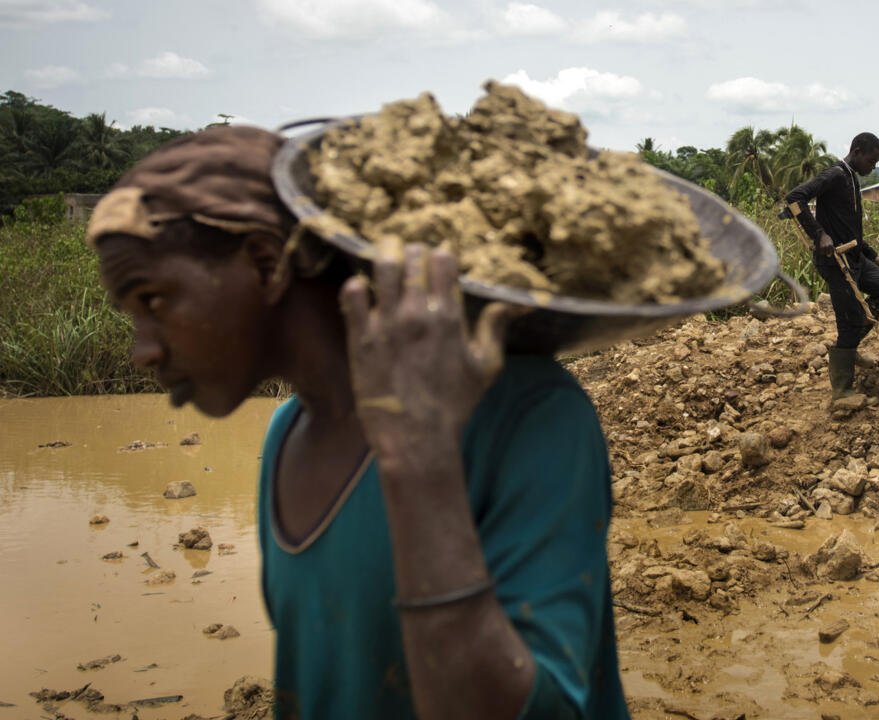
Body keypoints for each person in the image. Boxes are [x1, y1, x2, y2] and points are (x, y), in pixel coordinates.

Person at [86, 125, 630, 719]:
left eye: (154, 301)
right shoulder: (287, 434)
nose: (143, 351)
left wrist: (420, 463)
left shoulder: (525, 413)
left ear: (265, 264)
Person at [783, 132, 879, 401]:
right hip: (835, 261)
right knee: (848, 321)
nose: (873, 167)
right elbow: (794, 198)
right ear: (857, 152)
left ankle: (850, 346)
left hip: (855, 256)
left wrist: (874, 255)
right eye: (871, 161)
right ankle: (842, 390)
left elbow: (850, 230)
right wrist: (819, 235)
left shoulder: (852, 178)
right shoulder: (835, 174)